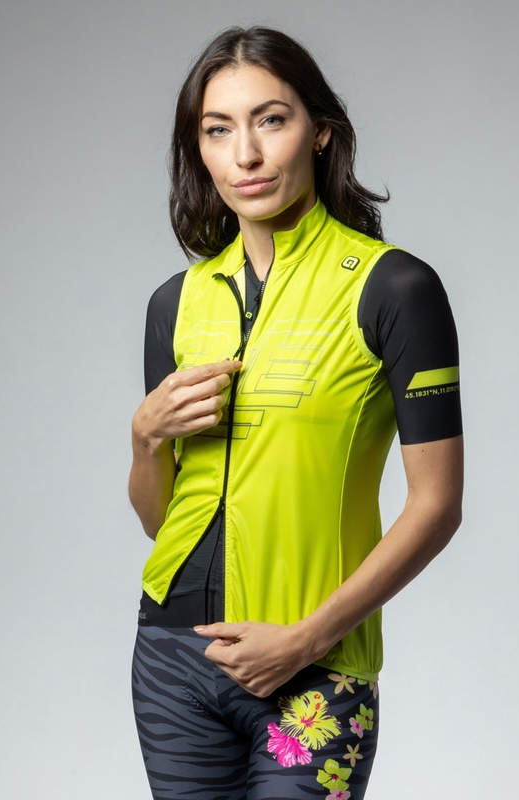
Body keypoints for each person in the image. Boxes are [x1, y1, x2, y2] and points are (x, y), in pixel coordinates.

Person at [128, 25, 463, 800]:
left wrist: (307, 638)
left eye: (270, 120)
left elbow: (438, 505)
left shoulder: (393, 289)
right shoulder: (175, 304)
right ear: (198, 151)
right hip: (171, 659)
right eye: (218, 130)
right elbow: (161, 521)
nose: (245, 154)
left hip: (314, 661)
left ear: (320, 131)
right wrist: (144, 440)